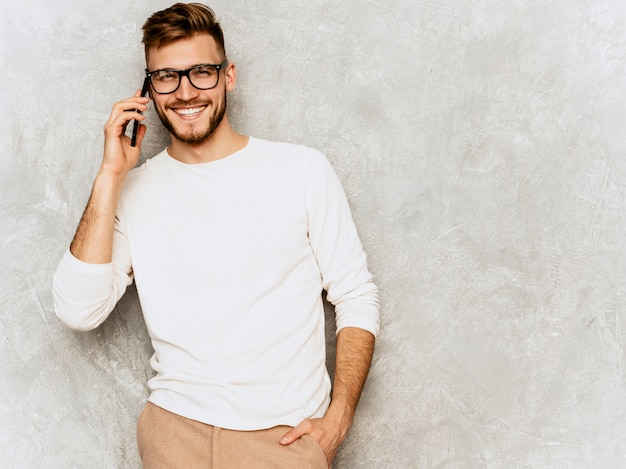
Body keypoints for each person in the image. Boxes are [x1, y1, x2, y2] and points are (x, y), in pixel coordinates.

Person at [52, 3, 379, 468]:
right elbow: (77, 310)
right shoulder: (134, 189)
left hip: (284, 441)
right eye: (166, 77)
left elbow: (356, 294)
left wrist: (338, 420)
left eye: (201, 72)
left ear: (229, 76)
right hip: (173, 434)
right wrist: (110, 175)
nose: (185, 92)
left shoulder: (301, 170)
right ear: (148, 89)